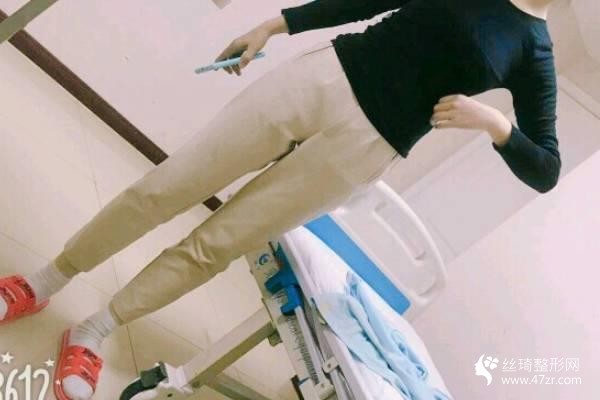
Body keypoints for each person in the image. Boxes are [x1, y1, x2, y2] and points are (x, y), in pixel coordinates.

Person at [0, 0, 561, 398]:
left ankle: (94, 330)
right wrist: (275, 25)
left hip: (367, 147)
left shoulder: (534, 52)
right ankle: (45, 281)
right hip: (324, 78)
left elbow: (546, 168)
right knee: (164, 188)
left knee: (216, 245)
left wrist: (496, 125)